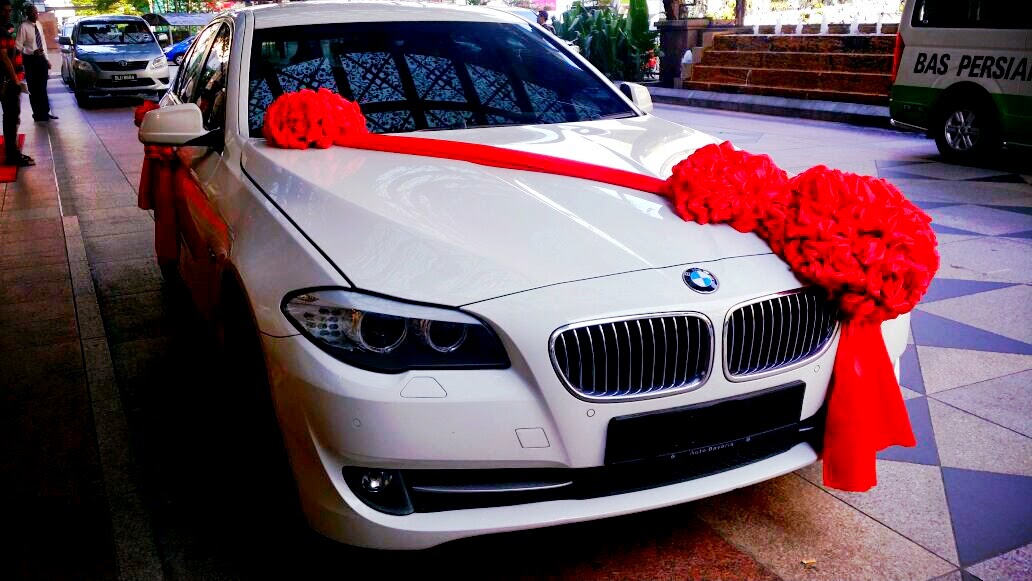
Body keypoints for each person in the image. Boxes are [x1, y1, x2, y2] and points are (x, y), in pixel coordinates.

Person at [0, 0, 32, 167]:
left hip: (11, 80)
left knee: (12, 117)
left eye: (9, 10)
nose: (7, 13)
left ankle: (12, 151)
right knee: (11, 117)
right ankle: (11, 154)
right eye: (4, 10)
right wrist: (15, 80)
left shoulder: (7, 28)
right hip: (8, 82)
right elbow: (3, 57)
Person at [16, 5, 55, 121]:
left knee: (43, 87)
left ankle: (45, 112)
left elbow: (42, 43)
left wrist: (46, 59)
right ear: (27, 14)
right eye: (32, 13)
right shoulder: (23, 27)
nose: (35, 15)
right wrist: (32, 52)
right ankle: (37, 114)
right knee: (33, 88)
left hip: (41, 59)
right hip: (30, 60)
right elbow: (18, 47)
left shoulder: (38, 25)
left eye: (36, 13)